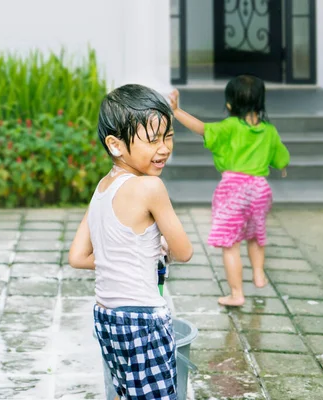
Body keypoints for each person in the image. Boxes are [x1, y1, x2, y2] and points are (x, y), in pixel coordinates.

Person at [68, 83, 194, 400]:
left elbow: (78, 256)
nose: (163, 148)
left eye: (168, 137)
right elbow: (184, 251)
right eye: (152, 140)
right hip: (143, 322)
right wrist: (160, 250)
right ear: (115, 145)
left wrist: (129, 254)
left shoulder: (102, 188)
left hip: (106, 317)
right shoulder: (150, 188)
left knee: (124, 393)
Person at [169, 74, 290, 307]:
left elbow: (202, 129)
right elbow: (281, 158)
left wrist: (177, 112)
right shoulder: (268, 130)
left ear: (229, 104)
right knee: (256, 235)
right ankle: (258, 274)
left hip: (234, 189)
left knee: (230, 243)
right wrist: (282, 167)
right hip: (260, 189)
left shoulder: (229, 127)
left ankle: (237, 294)